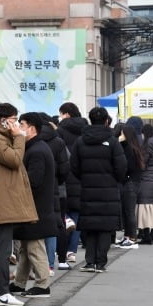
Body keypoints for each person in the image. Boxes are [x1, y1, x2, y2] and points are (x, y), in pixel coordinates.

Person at [0, 103, 38, 306]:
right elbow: (14, 159)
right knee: (2, 250)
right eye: (13, 119)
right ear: (3, 120)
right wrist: (19, 137)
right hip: (0, 203)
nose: (16, 124)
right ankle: (1, 292)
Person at [70, 107, 126, 273]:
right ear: (106, 121)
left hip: (87, 188)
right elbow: (121, 167)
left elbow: (74, 166)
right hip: (108, 190)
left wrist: (85, 178)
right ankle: (100, 262)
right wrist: (115, 179)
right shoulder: (113, 141)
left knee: (90, 225)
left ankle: (89, 261)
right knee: (105, 227)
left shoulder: (81, 140)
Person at [9, 112, 56, 297]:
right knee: (26, 248)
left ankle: (43, 284)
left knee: (35, 247)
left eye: (22, 124)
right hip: (32, 207)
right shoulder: (35, 147)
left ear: (32, 128)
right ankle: (20, 283)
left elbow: (33, 181)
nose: (19, 128)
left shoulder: (37, 151)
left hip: (36, 208)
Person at [37, 113, 69, 273]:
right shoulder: (58, 142)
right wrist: (57, 180)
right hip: (57, 189)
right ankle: (53, 262)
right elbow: (64, 169)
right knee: (57, 224)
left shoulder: (31, 142)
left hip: (35, 189)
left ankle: (37, 264)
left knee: (35, 226)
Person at [56, 102, 88, 262]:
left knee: (63, 214)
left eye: (61, 114)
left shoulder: (60, 130)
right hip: (81, 176)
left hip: (65, 177)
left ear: (67, 114)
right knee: (77, 215)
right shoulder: (85, 129)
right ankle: (72, 251)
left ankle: (61, 248)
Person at [115, 125, 145, 249]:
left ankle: (132, 237)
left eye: (122, 133)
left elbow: (127, 166)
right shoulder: (133, 147)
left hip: (130, 182)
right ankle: (128, 236)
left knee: (129, 211)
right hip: (132, 182)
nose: (120, 136)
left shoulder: (130, 149)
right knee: (127, 211)